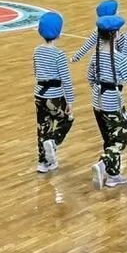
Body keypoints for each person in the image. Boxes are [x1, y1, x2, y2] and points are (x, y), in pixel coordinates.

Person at [86, 14, 127, 189]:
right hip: (112, 103)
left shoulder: (95, 56)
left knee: (108, 139)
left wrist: (97, 90)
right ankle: (103, 163)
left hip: (97, 103)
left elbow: (90, 78)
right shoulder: (120, 59)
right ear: (116, 34)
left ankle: (113, 175)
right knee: (120, 138)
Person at [33, 11, 74, 173]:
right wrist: (70, 101)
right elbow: (66, 79)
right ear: (58, 32)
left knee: (43, 127)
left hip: (39, 95)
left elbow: (35, 71)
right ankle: (53, 142)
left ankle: (43, 162)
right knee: (67, 119)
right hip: (55, 96)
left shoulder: (37, 50)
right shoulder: (59, 55)